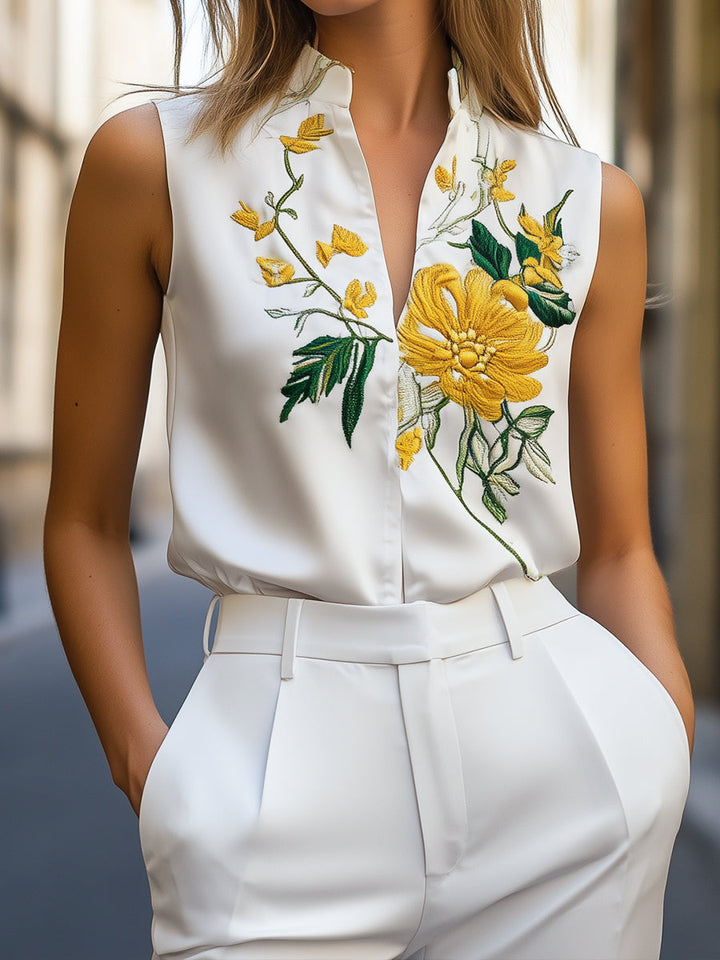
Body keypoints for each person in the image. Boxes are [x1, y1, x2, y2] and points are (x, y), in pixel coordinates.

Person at [43, 1, 694, 958]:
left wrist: (661, 738)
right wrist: (149, 762)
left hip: (564, 783)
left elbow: (621, 547)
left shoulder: (584, 202)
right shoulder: (156, 165)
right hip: (268, 784)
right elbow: (84, 521)